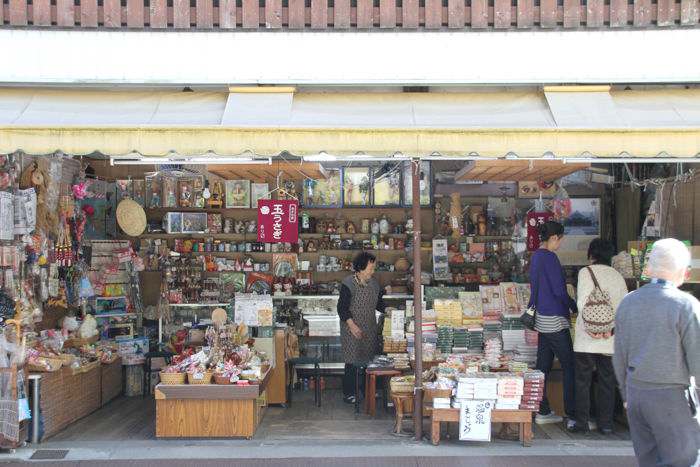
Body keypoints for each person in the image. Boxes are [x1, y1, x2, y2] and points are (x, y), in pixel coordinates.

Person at [613, 238, 700, 467]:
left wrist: (625, 395)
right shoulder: (686, 305)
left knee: (649, 460)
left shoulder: (628, 302)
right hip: (672, 396)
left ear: (648, 269)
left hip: (636, 394)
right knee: (684, 460)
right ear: (685, 272)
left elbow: (619, 356)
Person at [570, 239, 628, 434]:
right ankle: (606, 424)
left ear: (591, 254)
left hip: (586, 338)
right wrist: (608, 328)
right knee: (607, 381)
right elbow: (623, 307)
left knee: (583, 381)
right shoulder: (617, 276)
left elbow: (582, 302)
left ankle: (582, 423)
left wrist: (592, 326)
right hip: (609, 338)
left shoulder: (585, 272)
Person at [529, 221, 578, 426]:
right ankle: (572, 414)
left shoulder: (536, 257)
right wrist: (573, 305)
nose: (560, 243)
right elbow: (559, 291)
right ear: (555, 238)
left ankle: (542, 408)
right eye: (560, 239)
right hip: (555, 320)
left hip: (541, 319)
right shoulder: (550, 258)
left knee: (542, 367)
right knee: (570, 366)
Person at [337, 252, 386, 404]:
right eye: (370, 268)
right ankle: (349, 393)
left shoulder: (374, 284)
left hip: (369, 327)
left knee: (369, 360)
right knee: (352, 360)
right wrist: (352, 326)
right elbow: (342, 308)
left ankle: (368, 391)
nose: (373, 271)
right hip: (351, 327)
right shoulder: (348, 283)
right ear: (360, 268)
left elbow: (379, 304)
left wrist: (388, 310)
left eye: (373, 268)